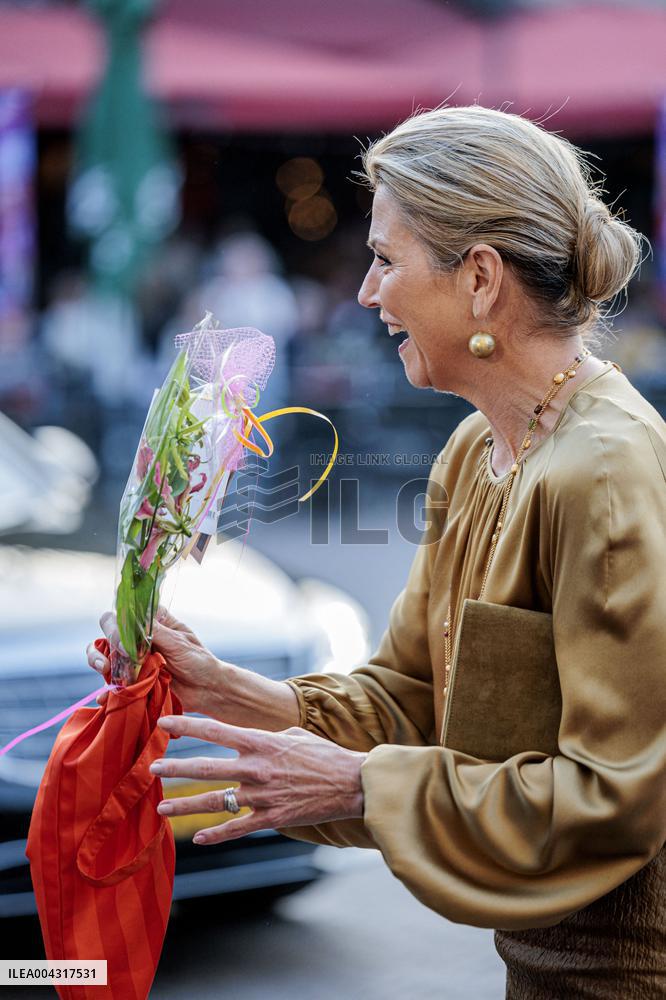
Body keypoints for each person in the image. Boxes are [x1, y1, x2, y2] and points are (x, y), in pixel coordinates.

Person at [88, 106, 666, 996]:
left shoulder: (607, 466)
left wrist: (364, 788)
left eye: (386, 260)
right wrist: (235, 694)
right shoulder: (478, 451)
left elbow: (615, 796)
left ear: (479, 279)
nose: (366, 293)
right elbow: (415, 699)